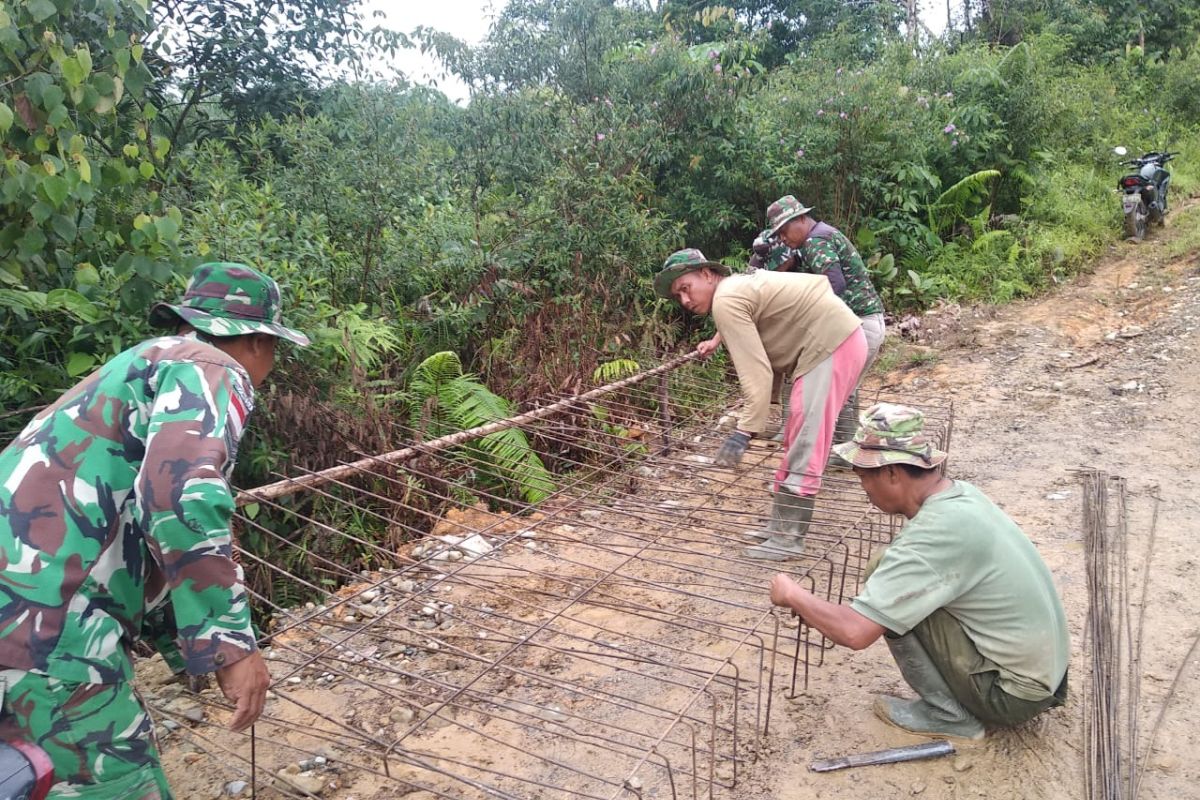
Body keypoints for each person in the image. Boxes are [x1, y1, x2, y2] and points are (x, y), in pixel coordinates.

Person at [0, 262, 309, 798]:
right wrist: (231, 646)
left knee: (28, 776)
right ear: (256, 341)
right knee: (117, 784)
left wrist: (187, 651)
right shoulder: (212, 368)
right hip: (44, 624)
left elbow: (142, 527)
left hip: (20, 614)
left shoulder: (136, 369)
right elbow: (179, 496)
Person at [767, 403, 1069, 740]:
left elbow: (856, 633)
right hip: (1046, 674)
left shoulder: (933, 536)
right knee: (891, 574)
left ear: (892, 474)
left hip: (1012, 695)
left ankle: (949, 716)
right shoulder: (962, 496)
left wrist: (793, 595)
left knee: (889, 584)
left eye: (864, 477)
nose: (864, 489)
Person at [655, 249, 866, 561]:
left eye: (685, 288)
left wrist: (744, 432)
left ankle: (788, 538)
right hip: (834, 342)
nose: (685, 301)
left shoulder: (726, 299)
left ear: (708, 274)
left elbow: (757, 372)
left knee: (807, 440)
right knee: (797, 436)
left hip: (830, 344)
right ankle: (779, 528)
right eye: (678, 297)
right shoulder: (734, 290)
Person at [768, 196, 887, 457]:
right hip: (866, 321)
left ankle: (835, 453)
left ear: (800, 219)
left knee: (837, 391)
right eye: (778, 234)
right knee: (846, 390)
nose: (784, 238)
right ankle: (845, 452)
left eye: (784, 230)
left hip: (859, 323)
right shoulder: (820, 236)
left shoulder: (815, 241)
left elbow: (834, 284)